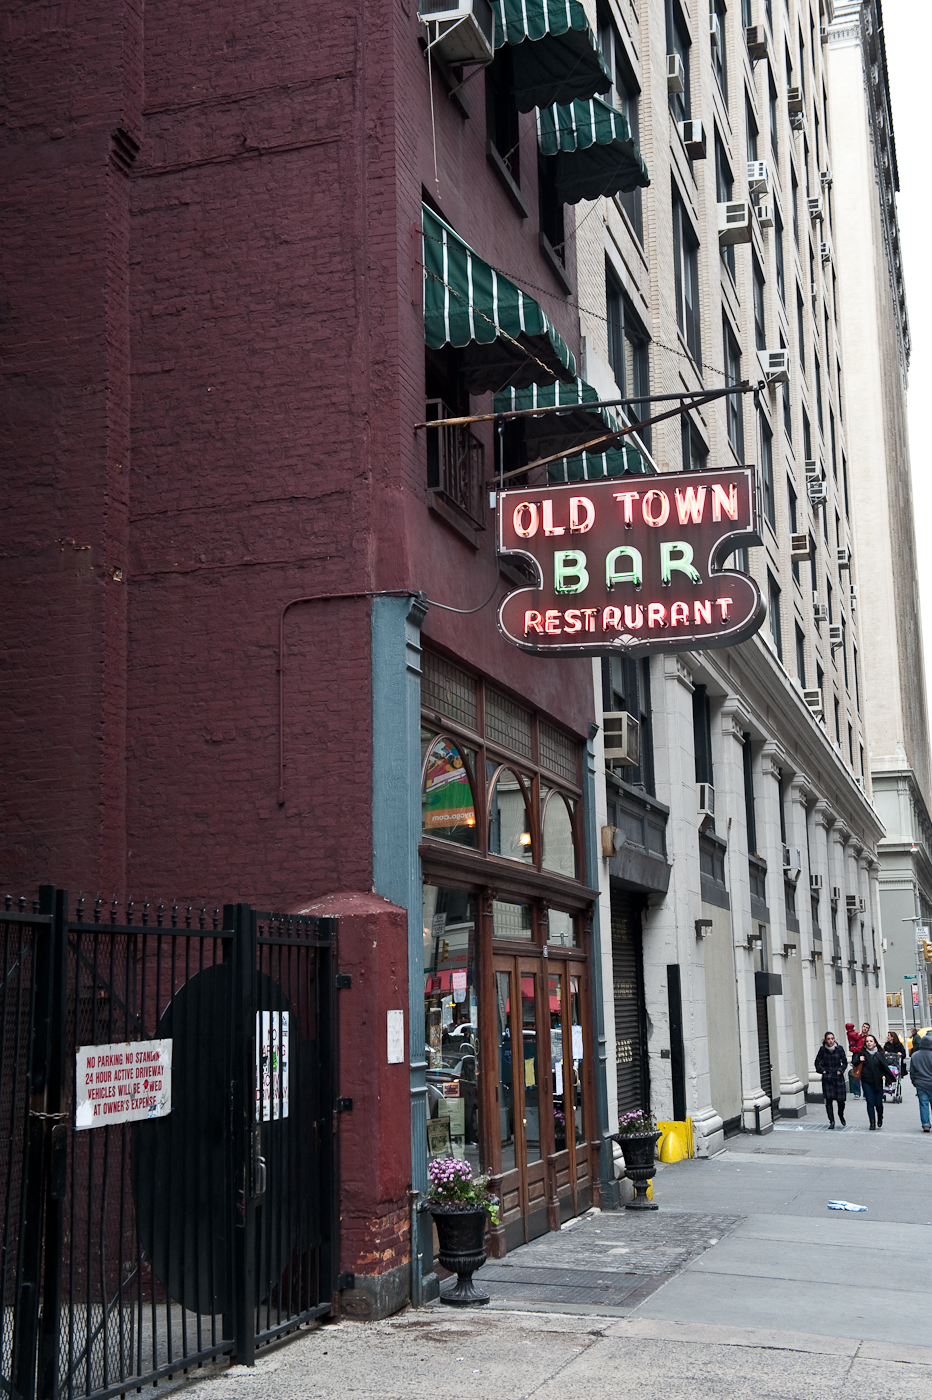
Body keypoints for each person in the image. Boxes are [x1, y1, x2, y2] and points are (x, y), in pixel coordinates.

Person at [851, 1034, 894, 1129]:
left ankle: (880, 1117)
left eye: (871, 1041)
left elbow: (885, 1068)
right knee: (870, 1102)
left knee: (878, 1103)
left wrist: (889, 1082)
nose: (869, 1043)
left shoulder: (879, 1054)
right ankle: (872, 1122)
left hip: (878, 1081)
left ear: (875, 1043)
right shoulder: (862, 1053)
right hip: (866, 1081)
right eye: (867, 1041)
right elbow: (853, 1064)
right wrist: (859, 1060)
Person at [814, 1031, 847, 1128]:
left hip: (838, 1077)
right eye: (828, 1039)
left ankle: (841, 1115)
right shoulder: (822, 1050)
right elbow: (817, 1062)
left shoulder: (839, 1049)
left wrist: (840, 1070)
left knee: (841, 1101)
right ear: (825, 1040)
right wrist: (822, 1070)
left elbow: (844, 1062)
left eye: (832, 1038)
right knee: (828, 1100)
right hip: (828, 1078)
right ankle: (831, 1121)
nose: (831, 1041)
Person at [908, 1030, 932, 1133]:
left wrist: (914, 1081)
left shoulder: (915, 1055)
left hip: (920, 1083)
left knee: (923, 1104)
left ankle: (926, 1124)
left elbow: (912, 1071)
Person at [845, 1023, 864, 1097]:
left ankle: (857, 1093)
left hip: (856, 1053)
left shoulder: (850, 1034)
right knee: (857, 1073)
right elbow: (857, 1037)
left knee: (857, 1074)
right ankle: (858, 1092)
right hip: (857, 1054)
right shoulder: (853, 1034)